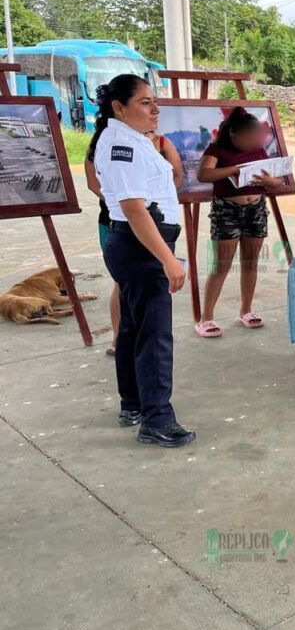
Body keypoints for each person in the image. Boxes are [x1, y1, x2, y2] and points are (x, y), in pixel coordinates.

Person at [93, 74, 194, 447]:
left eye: (154, 101)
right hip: (142, 246)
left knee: (134, 329)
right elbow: (135, 210)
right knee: (154, 335)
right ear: (119, 107)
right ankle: (157, 419)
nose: (156, 109)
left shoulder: (132, 140)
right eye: (145, 102)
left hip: (139, 244)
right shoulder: (123, 145)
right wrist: (168, 259)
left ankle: (133, 403)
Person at [87, 123, 183, 356]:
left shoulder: (161, 143)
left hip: (156, 222)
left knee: (148, 315)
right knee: (124, 286)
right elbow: (97, 185)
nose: (154, 111)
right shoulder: (108, 142)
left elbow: (177, 176)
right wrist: (125, 194)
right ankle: (118, 336)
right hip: (120, 224)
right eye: (145, 102)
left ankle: (129, 343)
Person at [194, 107, 284, 337]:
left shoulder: (260, 151)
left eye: (257, 137)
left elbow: (278, 183)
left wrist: (268, 181)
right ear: (234, 134)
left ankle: (246, 310)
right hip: (227, 209)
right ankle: (206, 318)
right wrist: (234, 169)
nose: (255, 141)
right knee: (222, 264)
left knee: (251, 261)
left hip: (255, 208)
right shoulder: (217, 148)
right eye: (249, 137)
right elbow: (204, 175)